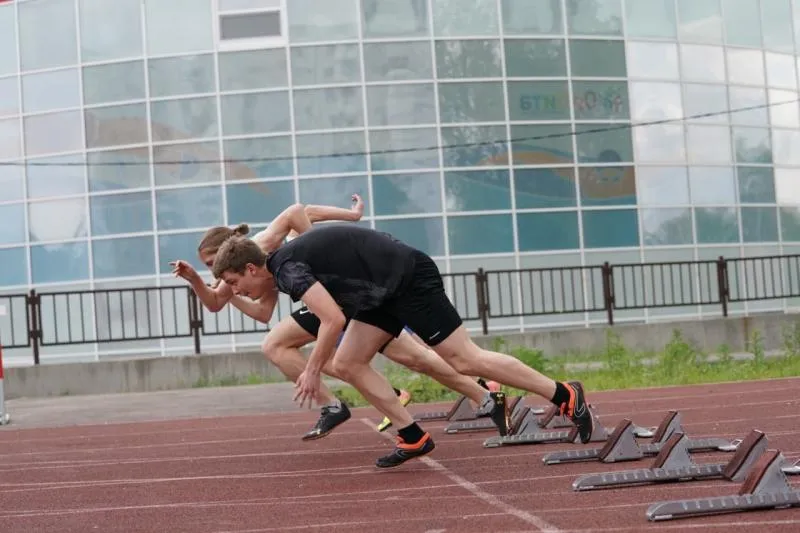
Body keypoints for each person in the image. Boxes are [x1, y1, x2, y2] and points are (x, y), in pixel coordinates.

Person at [211, 224, 594, 468]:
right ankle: (412, 436)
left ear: (250, 269)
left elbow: (333, 320)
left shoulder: (286, 270)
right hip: (378, 295)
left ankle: (563, 394)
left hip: (407, 278)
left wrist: (311, 371)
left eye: (232, 282)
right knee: (348, 363)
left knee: (464, 359)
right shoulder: (279, 265)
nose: (234, 291)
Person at [170, 197, 495, 441]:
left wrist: (344, 223)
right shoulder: (237, 275)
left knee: (411, 355)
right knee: (289, 348)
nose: (221, 278)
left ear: (232, 251)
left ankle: (481, 395)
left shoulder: (258, 248)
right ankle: (475, 397)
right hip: (331, 302)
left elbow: (298, 211)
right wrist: (199, 282)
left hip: (339, 297)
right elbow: (254, 310)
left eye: (213, 264)